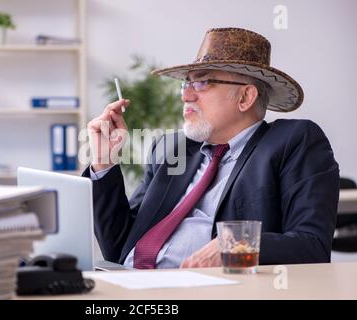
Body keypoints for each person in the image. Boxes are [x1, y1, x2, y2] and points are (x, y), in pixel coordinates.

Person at [84, 27, 340, 269]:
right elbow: (119, 249)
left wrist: (236, 246)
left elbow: (312, 246)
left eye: (202, 83)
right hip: (131, 287)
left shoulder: (293, 141)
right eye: (186, 84)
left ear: (245, 98)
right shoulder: (170, 149)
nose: (186, 96)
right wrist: (104, 159)